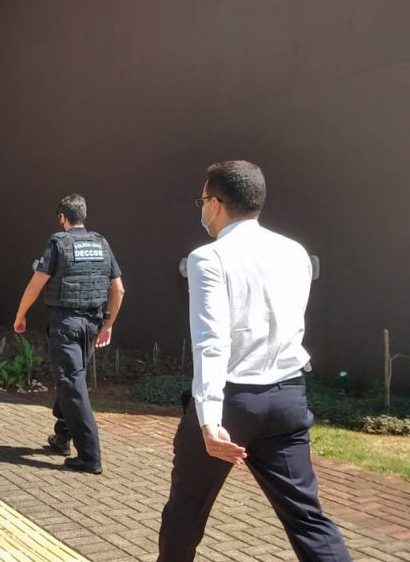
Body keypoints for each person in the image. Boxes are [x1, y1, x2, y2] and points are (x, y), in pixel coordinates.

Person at [158, 161, 350, 561]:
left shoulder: (208, 258)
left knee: (185, 513)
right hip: (287, 399)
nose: (202, 210)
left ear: (215, 203)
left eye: (202, 201)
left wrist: (208, 420)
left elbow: (211, 342)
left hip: (231, 403)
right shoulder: (295, 252)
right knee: (307, 519)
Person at [13, 194, 124, 475]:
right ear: (84, 215)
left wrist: (20, 315)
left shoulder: (58, 243)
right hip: (92, 323)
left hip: (66, 324)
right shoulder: (101, 243)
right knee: (72, 379)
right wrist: (108, 324)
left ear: (62, 217)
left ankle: (90, 456)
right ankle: (62, 437)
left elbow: (35, 285)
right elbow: (119, 289)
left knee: (72, 384)